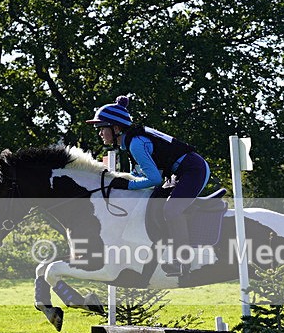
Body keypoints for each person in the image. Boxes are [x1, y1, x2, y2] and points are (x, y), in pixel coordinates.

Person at [87, 95, 211, 277]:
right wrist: (121, 183)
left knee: (171, 210)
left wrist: (126, 185)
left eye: (101, 128)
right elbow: (138, 175)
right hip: (178, 172)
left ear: (115, 128)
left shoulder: (136, 143)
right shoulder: (130, 142)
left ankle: (182, 260)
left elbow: (153, 180)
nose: (99, 133)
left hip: (194, 170)